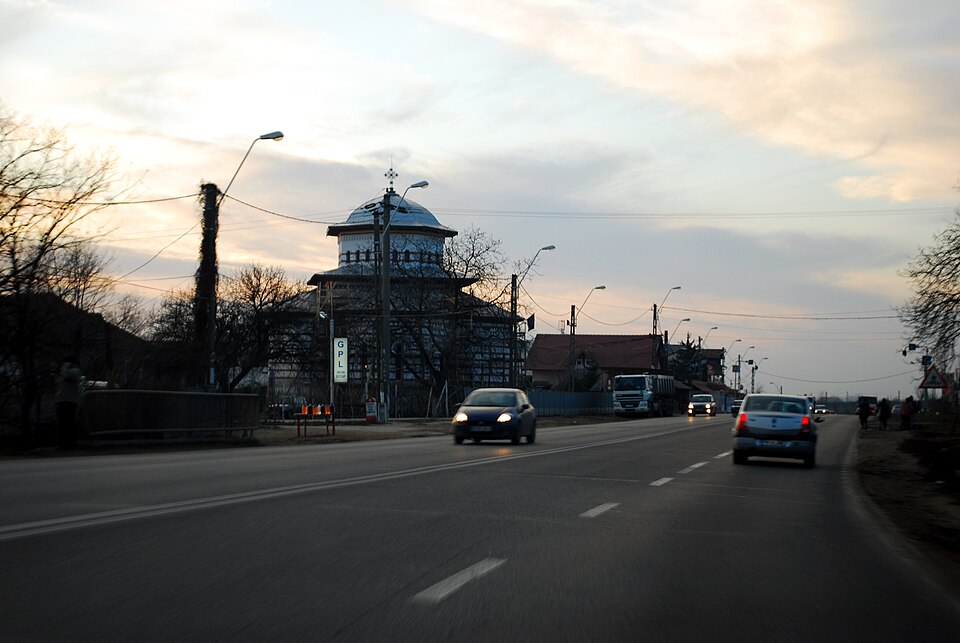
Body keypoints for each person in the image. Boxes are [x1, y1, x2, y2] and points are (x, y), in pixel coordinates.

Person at [55, 357, 83, 448]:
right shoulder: (63, 373)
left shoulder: (75, 371)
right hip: (62, 400)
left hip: (70, 401)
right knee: (62, 423)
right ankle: (64, 442)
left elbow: (67, 375)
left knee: (68, 423)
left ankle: (69, 442)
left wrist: (65, 367)